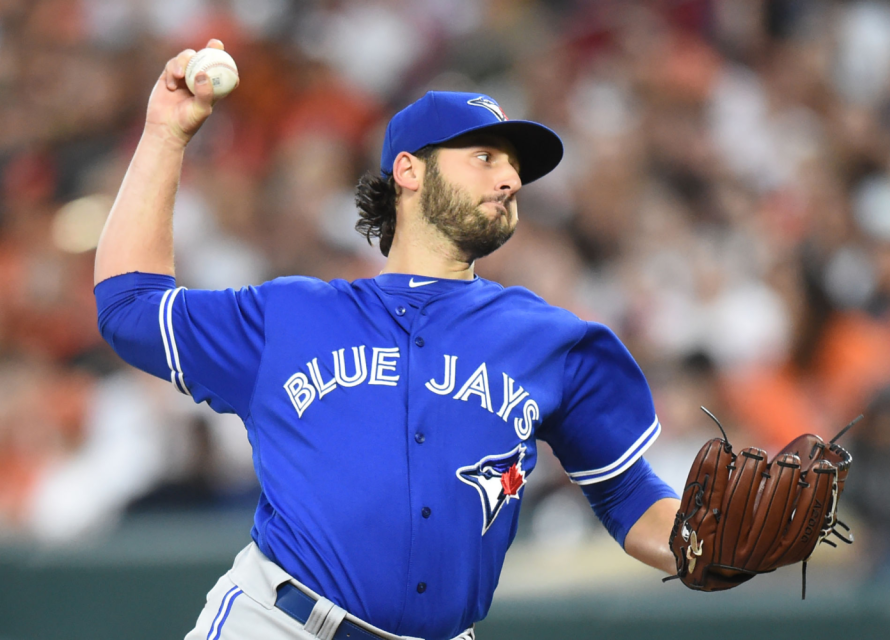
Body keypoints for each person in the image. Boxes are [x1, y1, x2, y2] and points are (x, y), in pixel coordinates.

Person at [94, 39, 680, 640]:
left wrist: (705, 546)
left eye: (515, 168)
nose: (509, 179)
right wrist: (165, 134)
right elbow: (129, 306)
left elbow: (629, 494)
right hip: (278, 625)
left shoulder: (554, 342)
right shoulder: (291, 316)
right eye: (484, 157)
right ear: (408, 170)